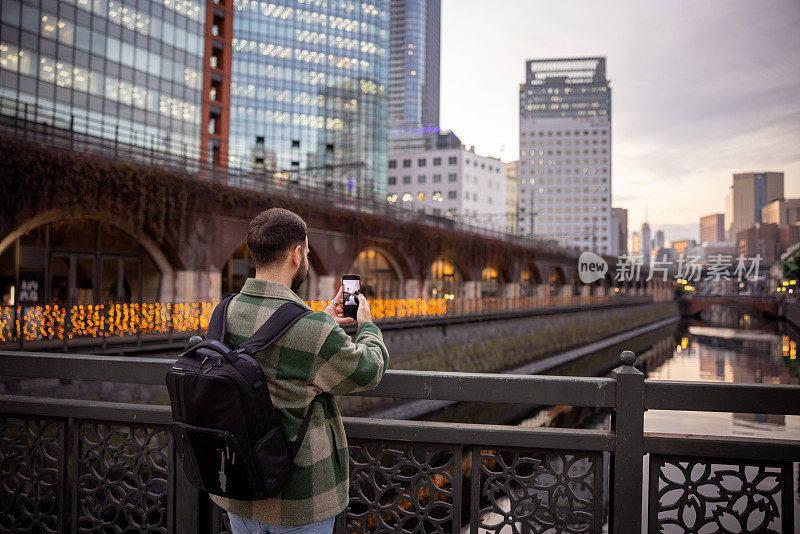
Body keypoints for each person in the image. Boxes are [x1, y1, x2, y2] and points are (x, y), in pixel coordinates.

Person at [210, 208, 389, 534]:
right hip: (299, 501)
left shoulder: (224, 311)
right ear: (296, 255)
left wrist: (319, 320)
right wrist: (367, 326)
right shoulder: (312, 330)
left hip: (238, 490)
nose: (305, 257)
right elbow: (369, 370)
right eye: (306, 252)